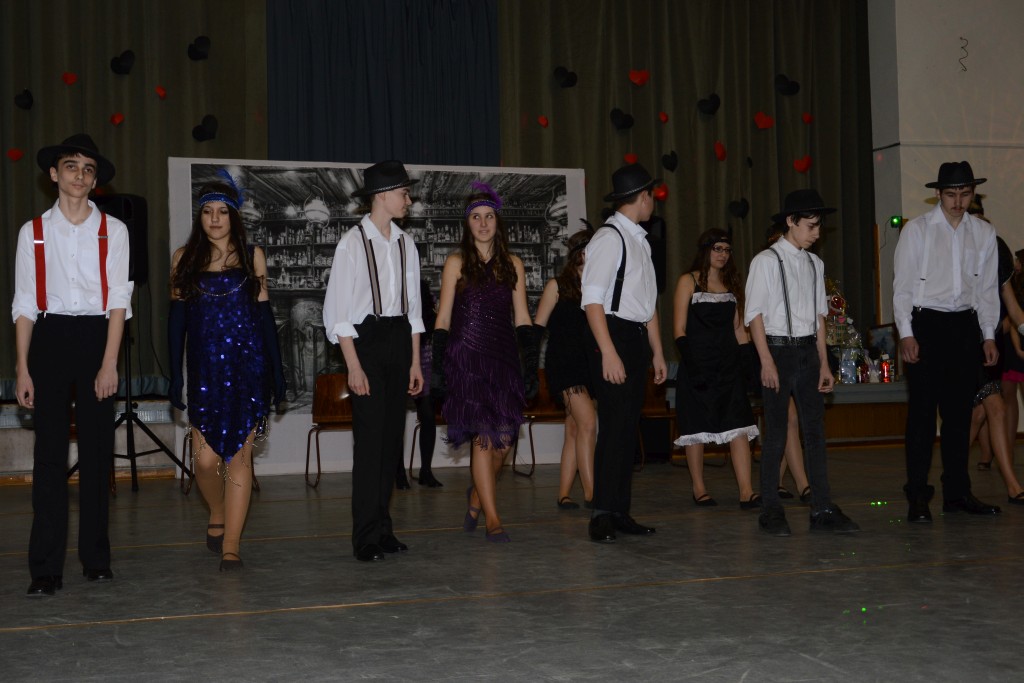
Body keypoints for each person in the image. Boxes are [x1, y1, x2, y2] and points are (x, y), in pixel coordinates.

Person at [13, 134, 132, 596]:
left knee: (98, 453)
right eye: (71, 166)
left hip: (98, 338)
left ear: (94, 180)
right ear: (53, 174)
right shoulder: (33, 232)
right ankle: (45, 567)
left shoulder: (114, 231)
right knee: (49, 456)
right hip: (50, 339)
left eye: (87, 169)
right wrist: (23, 367)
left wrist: (109, 363)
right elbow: (25, 303)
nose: (79, 175)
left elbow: (119, 300)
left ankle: (96, 558)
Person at [168, 173, 285, 572]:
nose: (215, 219)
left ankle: (231, 545)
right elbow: (176, 323)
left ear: (234, 216)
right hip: (206, 373)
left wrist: (277, 372)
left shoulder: (253, 256)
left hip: (248, 369)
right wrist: (174, 374)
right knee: (204, 461)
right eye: (207, 212)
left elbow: (265, 319)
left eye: (222, 211)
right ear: (200, 217)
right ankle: (216, 510)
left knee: (239, 457)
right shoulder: (183, 258)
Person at [323, 160, 424, 562]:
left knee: (391, 441)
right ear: (382, 196)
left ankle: (383, 529)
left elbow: (414, 311)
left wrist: (415, 362)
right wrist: (353, 365)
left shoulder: (406, 243)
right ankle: (365, 536)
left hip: (399, 339)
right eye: (403, 193)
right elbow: (338, 313)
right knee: (369, 443)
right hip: (366, 343)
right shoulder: (351, 243)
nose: (408, 200)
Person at [745, 189, 859, 536]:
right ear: (791, 222)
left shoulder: (814, 264)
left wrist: (824, 363)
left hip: (809, 352)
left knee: (815, 432)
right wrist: (766, 361)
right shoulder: (766, 261)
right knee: (777, 433)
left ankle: (822, 508)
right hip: (777, 351)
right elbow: (754, 315)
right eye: (811, 226)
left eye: (819, 226)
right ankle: (770, 509)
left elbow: (819, 317)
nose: (817, 233)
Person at [893, 162, 1002, 522]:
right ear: (938, 194)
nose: (958, 201)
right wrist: (906, 332)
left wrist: (988, 335)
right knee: (922, 416)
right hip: (926, 324)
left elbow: (987, 291)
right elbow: (902, 287)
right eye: (951, 194)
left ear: (973, 194)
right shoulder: (917, 230)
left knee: (959, 416)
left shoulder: (983, 232)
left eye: (965, 194)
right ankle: (917, 495)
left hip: (964, 327)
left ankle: (957, 493)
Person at [432, 182, 537, 543]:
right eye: (475, 217)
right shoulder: (456, 262)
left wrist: (531, 364)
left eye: (488, 216)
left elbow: (522, 317)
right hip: (467, 359)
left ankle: (477, 495)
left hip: (503, 359)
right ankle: (493, 519)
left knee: (504, 441)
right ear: (467, 223)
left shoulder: (513, 264)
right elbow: (443, 318)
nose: (482, 223)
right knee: (483, 438)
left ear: (497, 221)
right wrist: (438, 366)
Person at [581, 163, 668, 544]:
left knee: (627, 427)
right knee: (614, 426)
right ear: (642, 197)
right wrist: (608, 352)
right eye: (652, 195)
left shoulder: (641, 241)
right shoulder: (609, 238)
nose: (654, 202)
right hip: (612, 334)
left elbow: (648, 305)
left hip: (635, 338)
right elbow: (592, 301)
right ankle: (601, 512)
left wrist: (658, 352)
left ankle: (619, 510)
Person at [672, 228, 759, 509]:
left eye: (727, 250)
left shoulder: (732, 284)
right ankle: (699, 488)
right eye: (717, 249)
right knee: (696, 428)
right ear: (706, 250)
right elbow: (679, 329)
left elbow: (739, 330)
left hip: (728, 367)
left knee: (739, 425)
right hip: (698, 366)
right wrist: (693, 365)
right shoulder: (688, 281)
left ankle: (746, 491)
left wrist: (750, 367)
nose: (723, 255)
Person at [534, 226, 597, 510]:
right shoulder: (556, 286)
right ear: (578, 253)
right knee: (589, 423)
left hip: (590, 364)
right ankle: (592, 494)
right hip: (563, 364)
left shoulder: (599, 286)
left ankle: (563, 494)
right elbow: (537, 329)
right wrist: (528, 369)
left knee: (574, 428)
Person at [411, 277, 443, 488]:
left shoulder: (423, 291)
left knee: (428, 417)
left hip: (424, 363)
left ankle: (425, 470)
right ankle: (400, 473)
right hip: (403, 361)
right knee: (396, 421)